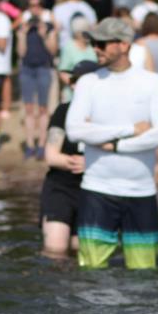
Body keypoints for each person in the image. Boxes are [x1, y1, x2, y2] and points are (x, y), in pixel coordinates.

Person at [66, 18, 158, 270]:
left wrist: (116, 145)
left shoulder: (152, 82)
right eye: (94, 43)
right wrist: (128, 130)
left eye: (102, 43)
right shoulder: (88, 82)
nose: (96, 49)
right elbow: (74, 130)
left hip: (141, 192)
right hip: (96, 189)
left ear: (124, 45)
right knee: (90, 273)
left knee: (144, 275)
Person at [41, 60, 96, 258]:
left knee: (80, 252)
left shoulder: (106, 114)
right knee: (55, 249)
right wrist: (75, 162)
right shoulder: (63, 111)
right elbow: (51, 156)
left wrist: (90, 164)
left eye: (79, 81)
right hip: (61, 188)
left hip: (92, 191)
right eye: (73, 81)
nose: (74, 85)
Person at [17, 0, 58, 160]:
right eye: (31, 5)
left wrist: (44, 35)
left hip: (43, 68)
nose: (34, 9)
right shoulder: (24, 26)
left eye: (37, 5)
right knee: (28, 108)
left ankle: (41, 144)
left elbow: (53, 51)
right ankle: (30, 144)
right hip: (27, 69)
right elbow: (20, 53)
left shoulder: (49, 26)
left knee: (43, 108)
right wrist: (22, 35)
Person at [58, 16, 98, 102]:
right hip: (73, 95)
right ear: (77, 33)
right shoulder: (69, 47)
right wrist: (74, 85)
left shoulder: (94, 46)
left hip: (93, 93)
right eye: (84, 31)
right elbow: (63, 72)